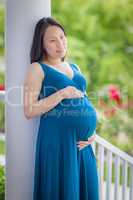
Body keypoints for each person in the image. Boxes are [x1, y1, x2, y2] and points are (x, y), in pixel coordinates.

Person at [23, 17, 99, 200]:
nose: (60, 43)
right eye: (52, 40)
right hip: (58, 142)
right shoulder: (37, 68)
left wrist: (93, 132)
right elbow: (29, 110)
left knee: (86, 190)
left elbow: (84, 98)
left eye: (62, 37)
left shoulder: (74, 66)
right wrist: (61, 94)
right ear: (41, 44)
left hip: (83, 144)